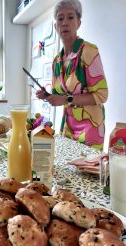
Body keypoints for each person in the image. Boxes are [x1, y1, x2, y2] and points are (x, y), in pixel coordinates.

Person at [36, 0, 108, 150]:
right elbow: (59, 96)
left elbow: (102, 95)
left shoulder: (89, 51)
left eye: (70, 17)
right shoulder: (56, 61)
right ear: (55, 26)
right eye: (60, 18)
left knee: (86, 172)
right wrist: (47, 95)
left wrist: (65, 99)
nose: (65, 23)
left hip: (90, 129)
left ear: (79, 23)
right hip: (68, 128)